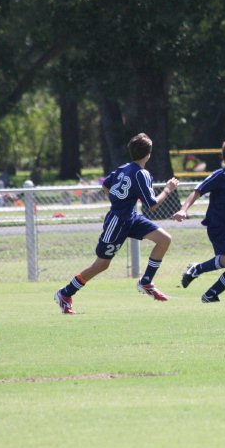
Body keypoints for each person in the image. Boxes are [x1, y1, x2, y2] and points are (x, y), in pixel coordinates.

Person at [54, 133, 179, 314]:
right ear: (149, 154)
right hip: (118, 221)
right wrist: (168, 189)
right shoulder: (141, 174)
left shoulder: (124, 168)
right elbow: (152, 205)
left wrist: (120, 200)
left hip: (131, 217)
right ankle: (65, 293)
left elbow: (105, 186)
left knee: (164, 239)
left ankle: (146, 282)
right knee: (101, 265)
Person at [174, 139, 225, 303]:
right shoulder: (220, 175)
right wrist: (183, 210)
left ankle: (210, 294)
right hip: (216, 225)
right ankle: (197, 269)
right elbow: (197, 191)